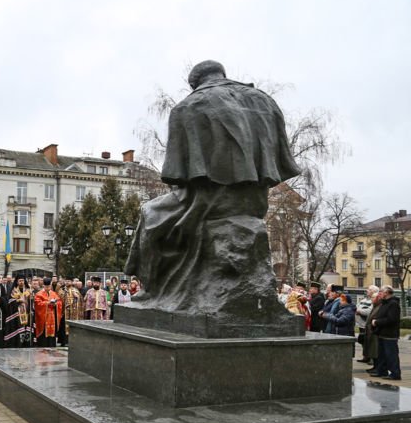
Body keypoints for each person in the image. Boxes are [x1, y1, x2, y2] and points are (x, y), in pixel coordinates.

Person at [125, 60, 301, 322]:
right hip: (255, 202)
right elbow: (280, 161)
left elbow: (178, 175)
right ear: (222, 74)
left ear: (195, 83)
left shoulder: (188, 106)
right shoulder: (264, 101)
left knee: (151, 215)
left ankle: (152, 291)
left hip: (209, 199)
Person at [370, 286, 402, 380]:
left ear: (387, 292)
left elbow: (391, 319)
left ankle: (395, 373)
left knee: (391, 355)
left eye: (381, 291)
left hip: (390, 334)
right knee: (382, 355)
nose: (379, 293)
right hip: (382, 333)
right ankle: (381, 371)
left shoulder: (393, 304)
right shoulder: (385, 303)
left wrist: (377, 322)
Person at [34, 278, 63, 347]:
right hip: (43, 316)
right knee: (44, 333)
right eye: (46, 287)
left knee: (52, 331)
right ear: (43, 286)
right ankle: (43, 345)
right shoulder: (39, 294)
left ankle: (51, 345)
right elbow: (38, 304)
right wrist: (48, 303)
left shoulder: (54, 293)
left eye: (49, 286)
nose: (48, 288)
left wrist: (56, 304)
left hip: (52, 316)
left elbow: (59, 302)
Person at [355, 285, 379, 363]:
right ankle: (365, 356)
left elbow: (370, 311)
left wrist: (360, 311)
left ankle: (371, 358)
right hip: (361, 324)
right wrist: (357, 310)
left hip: (367, 325)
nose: (367, 291)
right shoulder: (364, 299)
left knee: (370, 342)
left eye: (369, 289)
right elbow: (357, 307)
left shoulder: (374, 301)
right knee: (363, 341)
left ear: (373, 291)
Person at [58, 278, 83, 347]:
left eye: (69, 281)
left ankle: (70, 341)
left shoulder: (75, 290)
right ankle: (63, 341)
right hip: (63, 312)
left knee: (71, 327)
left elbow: (80, 300)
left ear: (71, 282)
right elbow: (58, 299)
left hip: (72, 312)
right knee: (63, 327)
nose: (67, 282)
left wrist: (76, 297)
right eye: (66, 281)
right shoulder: (61, 290)